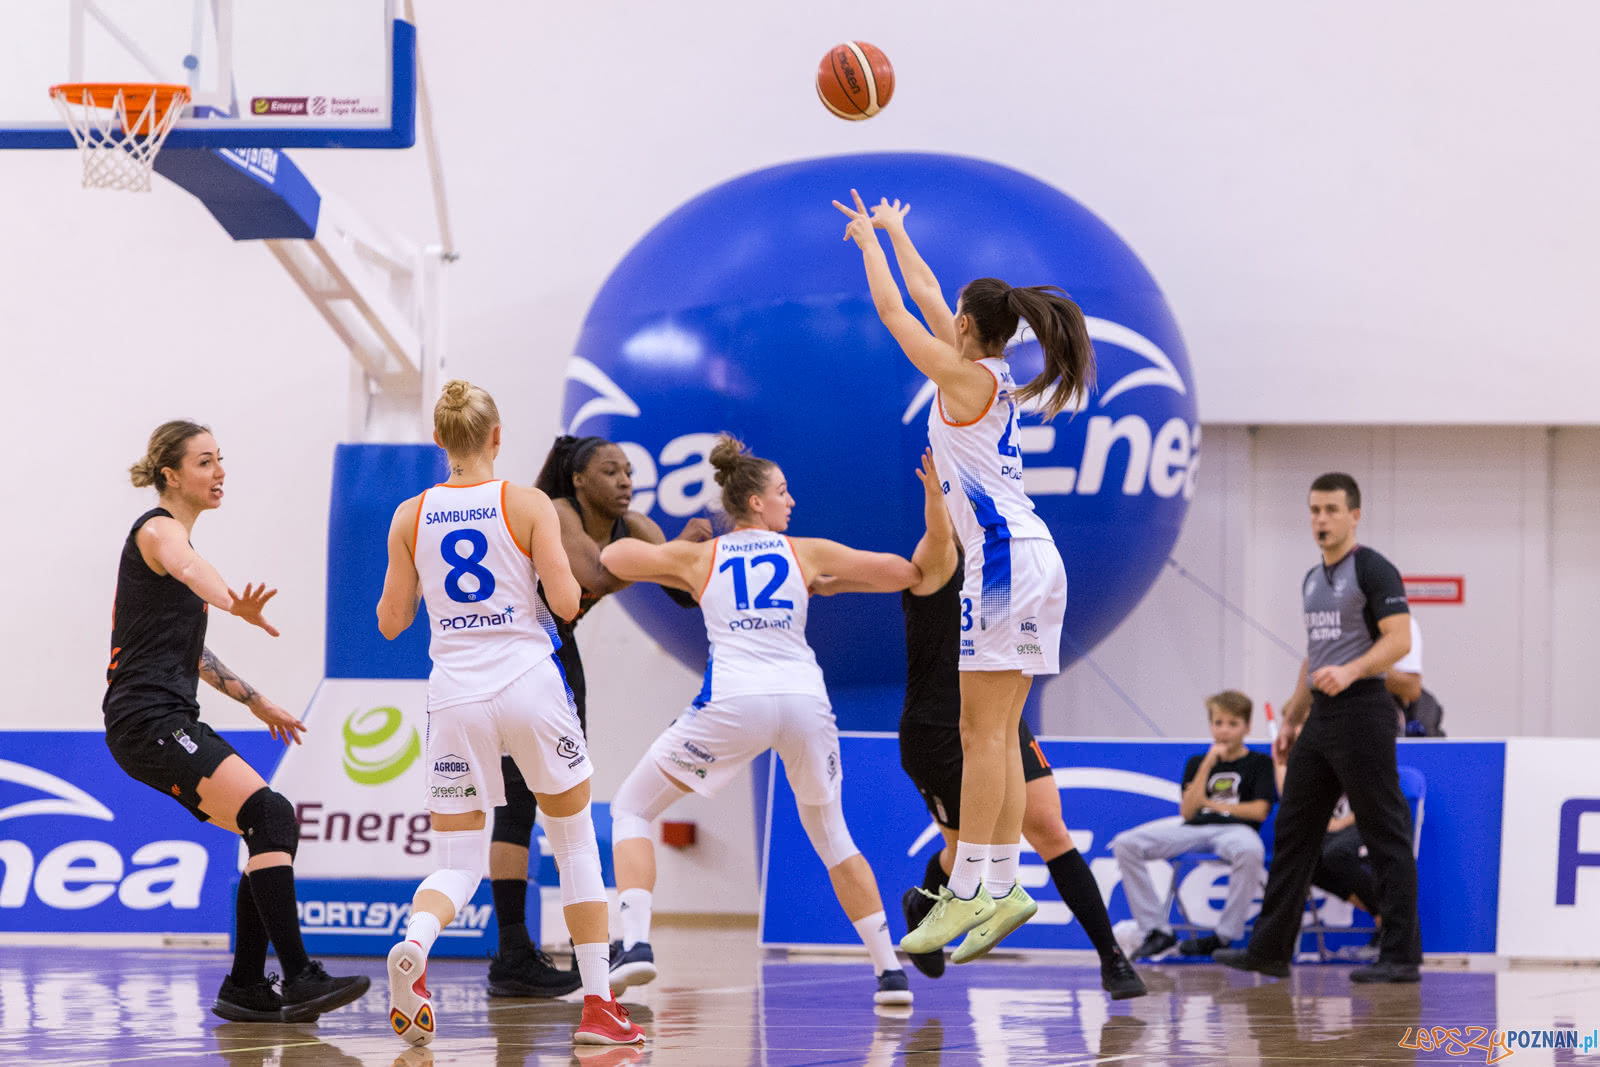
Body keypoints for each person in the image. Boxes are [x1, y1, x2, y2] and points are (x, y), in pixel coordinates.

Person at [835, 190, 1095, 959]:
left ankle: (969, 888)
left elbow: (895, 310)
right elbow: (924, 292)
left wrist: (867, 245)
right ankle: (1004, 882)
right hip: (1036, 555)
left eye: (953, 311)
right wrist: (897, 231)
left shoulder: (961, 377)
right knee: (1001, 733)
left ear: (967, 326)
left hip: (1006, 560)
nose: (943, 312)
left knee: (978, 733)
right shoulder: (988, 371)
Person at [597, 434, 925, 1005]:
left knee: (631, 808)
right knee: (833, 835)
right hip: (803, 704)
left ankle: (637, 944)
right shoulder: (805, 552)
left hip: (734, 704)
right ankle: (889, 972)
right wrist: (832, 580)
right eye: (782, 491)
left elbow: (613, 558)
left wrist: (680, 551)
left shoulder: (702, 557)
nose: (790, 500)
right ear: (755, 502)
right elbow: (902, 572)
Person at [375, 380, 644, 1047]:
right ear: (497, 437)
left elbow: (391, 621)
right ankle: (599, 1007)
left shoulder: (409, 514)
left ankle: (416, 941)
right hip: (528, 683)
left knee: (457, 860)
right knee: (574, 841)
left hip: (454, 697)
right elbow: (567, 600)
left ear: (439, 439)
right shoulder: (526, 503)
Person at [835, 448, 1144, 996]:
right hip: (940, 733)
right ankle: (927, 901)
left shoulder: (1005, 566)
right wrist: (938, 494)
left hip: (1001, 724)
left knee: (1051, 828)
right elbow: (939, 535)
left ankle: (1112, 958)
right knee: (963, 852)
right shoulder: (938, 563)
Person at [105, 420, 369, 1024]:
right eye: (204, 461)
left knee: (267, 824)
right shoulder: (159, 531)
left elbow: (190, 653)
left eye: (219, 458)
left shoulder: (176, 547)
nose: (219, 471)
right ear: (171, 475)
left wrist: (254, 700)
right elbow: (192, 570)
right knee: (269, 814)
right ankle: (298, 976)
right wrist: (231, 602)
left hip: (162, 716)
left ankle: (247, 985)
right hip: (145, 720)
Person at [486, 435, 709, 998]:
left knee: (569, 795)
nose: (625, 480)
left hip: (557, 648)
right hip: (513, 648)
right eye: (610, 471)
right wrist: (670, 554)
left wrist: (700, 556)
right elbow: (598, 577)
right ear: (579, 479)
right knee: (517, 802)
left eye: (629, 470)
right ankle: (512, 952)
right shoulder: (558, 512)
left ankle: (585, 941)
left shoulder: (636, 527)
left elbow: (685, 593)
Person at [1217, 472, 1422, 984]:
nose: (1321, 520)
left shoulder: (1373, 569)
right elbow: (1315, 655)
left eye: (1331, 510)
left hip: (1364, 709)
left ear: (1354, 515)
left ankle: (1401, 956)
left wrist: (1352, 670)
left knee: (1384, 831)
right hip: (1322, 715)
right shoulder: (1312, 579)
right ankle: (1269, 950)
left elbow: (1398, 640)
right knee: (1293, 830)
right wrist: (1291, 717)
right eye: (1314, 510)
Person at [1110, 692, 1277, 960]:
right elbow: (1188, 811)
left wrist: (1211, 804)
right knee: (1125, 844)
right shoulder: (1197, 762)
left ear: (1247, 727)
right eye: (1218, 723)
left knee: (1250, 851)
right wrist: (1208, 764)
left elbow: (1259, 811)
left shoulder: (1259, 763)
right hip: (1194, 828)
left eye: (1232, 724)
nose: (1224, 730)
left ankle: (1224, 936)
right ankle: (1157, 930)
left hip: (1237, 830)